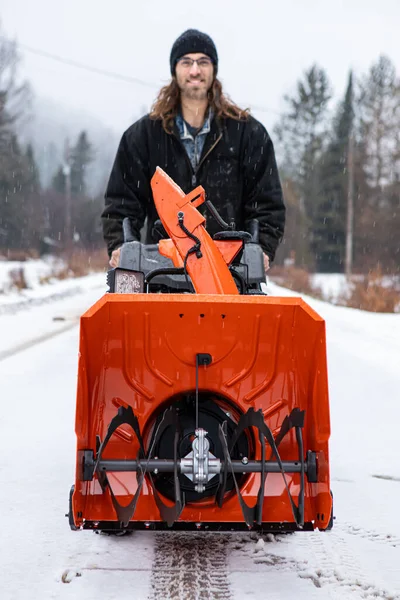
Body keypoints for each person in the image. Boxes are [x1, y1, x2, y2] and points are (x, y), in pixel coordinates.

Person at [102, 29, 285, 270]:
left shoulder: (248, 135)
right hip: (160, 270)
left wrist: (261, 248)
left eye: (203, 62)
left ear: (214, 69)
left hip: (231, 271)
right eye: (186, 62)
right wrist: (120, 246)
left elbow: (267, 204)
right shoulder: (143, 136)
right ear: (174, 70)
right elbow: (122, 204)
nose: (195, 70)